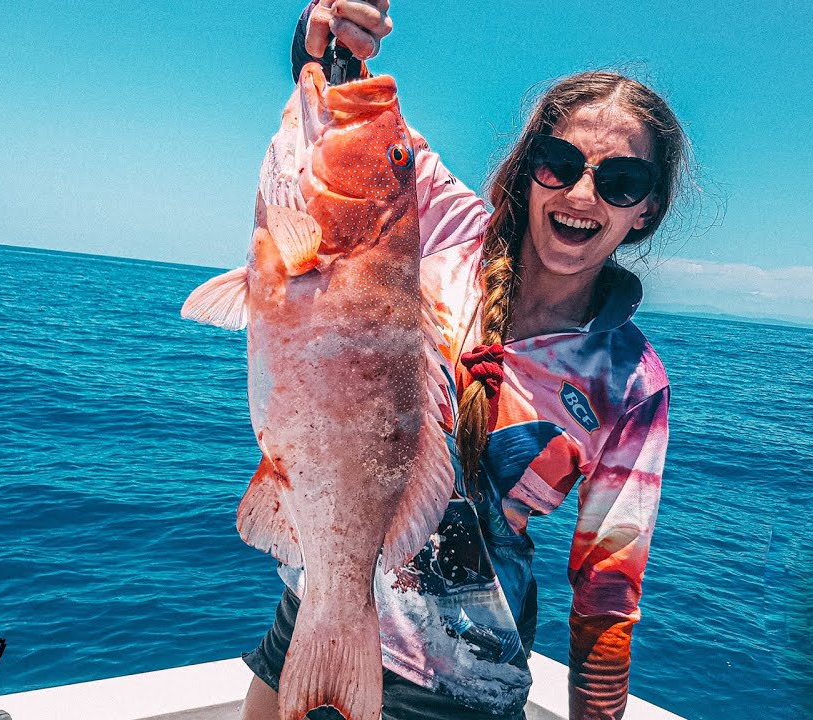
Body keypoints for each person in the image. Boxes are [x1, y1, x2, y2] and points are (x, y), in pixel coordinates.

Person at [241, 2, 685, 719]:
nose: (581, 194)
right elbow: (353, 138)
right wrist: (335, 32)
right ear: (529, 168)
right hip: (317, 607)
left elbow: (607, 590)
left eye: (621, 181)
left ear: (646, 210)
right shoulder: (445, 228)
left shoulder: (632, 383)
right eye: (560, 163)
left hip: (460, 686)